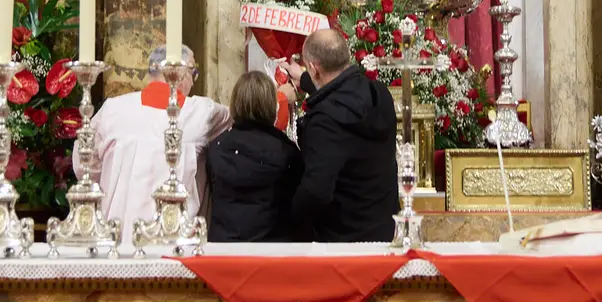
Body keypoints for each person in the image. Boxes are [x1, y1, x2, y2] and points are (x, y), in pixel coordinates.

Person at [78, 45, 231, 241]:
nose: (193, 81)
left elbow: (85, 165)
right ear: (181, 73)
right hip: (175, 238)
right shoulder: (201, 113)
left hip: (117, 233)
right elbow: (239, 114)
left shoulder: (112, 110)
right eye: (193, 73)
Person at [281, 29, 398, 242]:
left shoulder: (324, 120)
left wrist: (286, 219)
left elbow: (315, 191)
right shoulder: (379, 94)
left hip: (342, 241)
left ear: (315, 68)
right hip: (383, 233)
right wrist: (306, 80)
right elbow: (342, 90)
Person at [204, 72, 302, 242]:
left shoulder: (216, 147)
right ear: (272, 106)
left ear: (234, 103)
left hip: (224, 248)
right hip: (272, 250)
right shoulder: (287, 152)